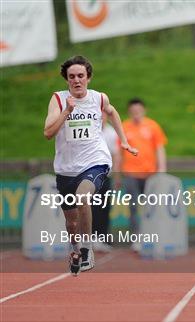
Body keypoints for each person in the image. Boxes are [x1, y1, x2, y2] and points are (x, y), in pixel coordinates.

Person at [44, 55, 137, 276]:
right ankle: (76, 248)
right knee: (71, 223)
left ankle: (86, 249)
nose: (76, 80)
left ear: (88, 78)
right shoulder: (58, 99)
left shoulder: (99, 98)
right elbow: (48, 133)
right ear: (66, 79)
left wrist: (123, 140)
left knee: (83, 197)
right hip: (66, 169)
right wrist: (67, 111)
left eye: (81, 76)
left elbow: (112, 112)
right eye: (72, 77)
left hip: (96, 161)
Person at [115, 98, 167, 252]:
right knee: (133, 207)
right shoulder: (123, 127)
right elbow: (118, 154)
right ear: (129, 112)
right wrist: (117, 175)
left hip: (150, 173)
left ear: (144, 110)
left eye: (139, 111)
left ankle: (152, 235)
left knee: (152, 206)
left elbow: (159, 149)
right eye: (133, 111)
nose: (136, 114)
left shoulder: (152, 126)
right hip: (130, 173)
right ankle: (136, 238)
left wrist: (162, 169)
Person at [90, 114, 118, 253]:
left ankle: (102, 238)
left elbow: (116, 155)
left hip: (105, 176)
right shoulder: (88, 130)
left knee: (104, 208)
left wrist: (116, 174)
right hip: (88, 176)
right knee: (88, 207)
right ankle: (87, 238)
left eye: (103, 116)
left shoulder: (111, 133)